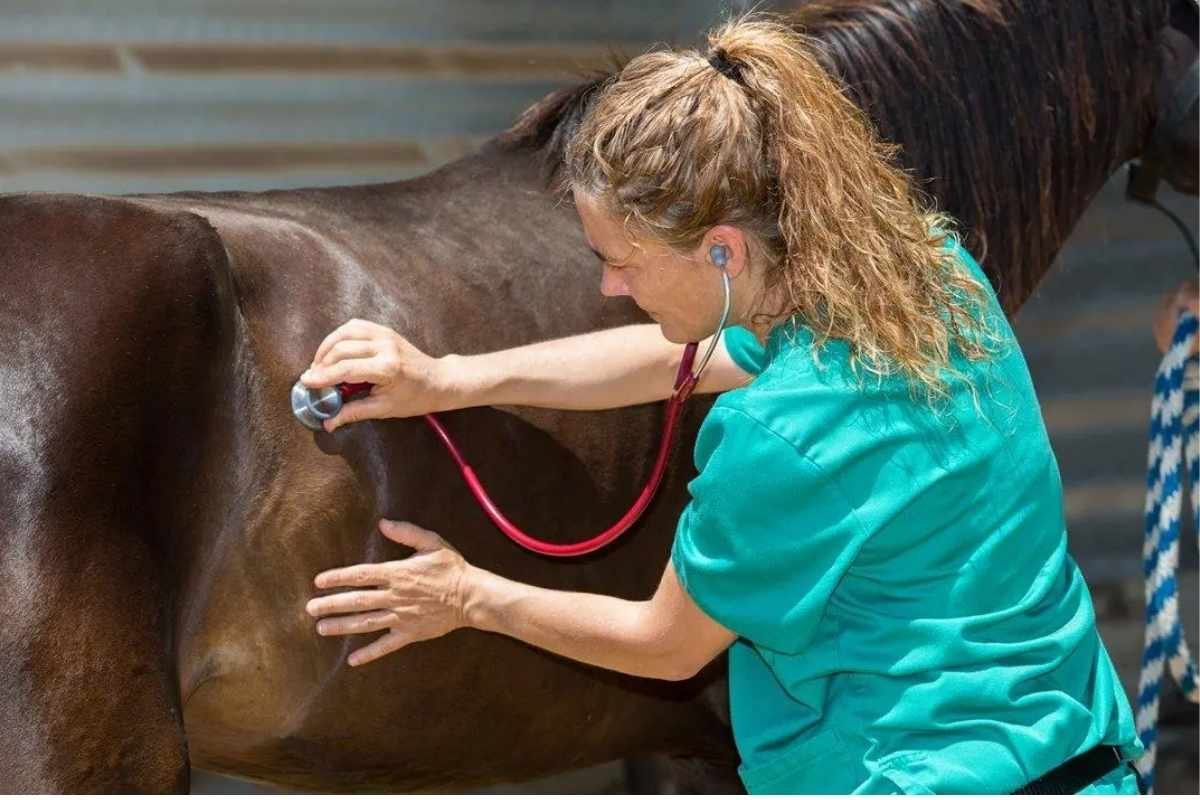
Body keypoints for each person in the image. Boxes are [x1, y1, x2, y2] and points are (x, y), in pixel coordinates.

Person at [300, 16, 1143, 794]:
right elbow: (684, 356)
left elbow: (665, 645)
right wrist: (449, 377)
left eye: (622, 262)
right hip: (1083, 756)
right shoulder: (929, 273)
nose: (609, 287)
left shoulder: (780, 436)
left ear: (723, 249)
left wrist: (465, 596)